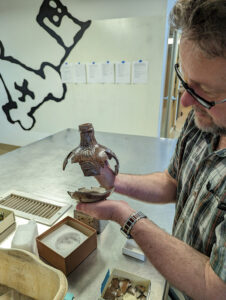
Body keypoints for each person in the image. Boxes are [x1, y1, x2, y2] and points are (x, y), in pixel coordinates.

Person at [76, 0, 226, 299]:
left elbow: (214, 285)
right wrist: (114, 181)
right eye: (186, 82)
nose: (185, 102)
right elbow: (173, 183)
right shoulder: (204, 120)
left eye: (206, 92)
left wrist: (126, 217)